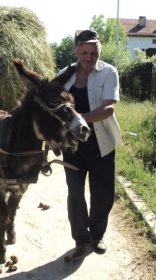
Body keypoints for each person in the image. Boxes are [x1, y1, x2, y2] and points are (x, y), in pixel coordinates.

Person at [57, 30, 122, 259]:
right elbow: (53, 106)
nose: (89, 56)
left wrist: (79, 120)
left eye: (94, 52)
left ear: (99, 52)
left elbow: (108, 108)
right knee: (75, 194)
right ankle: (81, 240)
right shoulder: (64, 75)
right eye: (84, 52)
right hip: (73, 147)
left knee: (103, 194)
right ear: (76, 52)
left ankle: (97, 236)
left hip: (102, 144)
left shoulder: (108, 72)